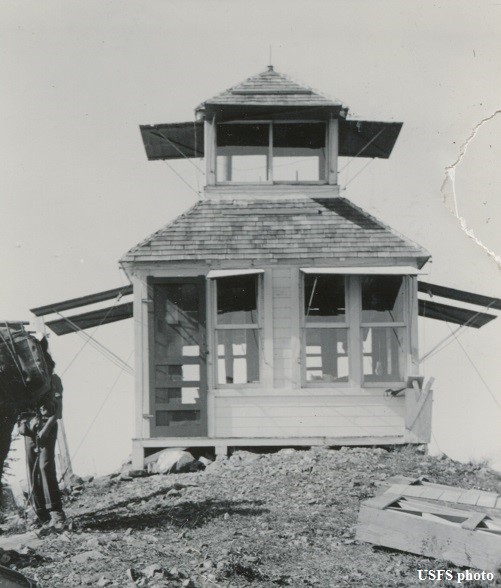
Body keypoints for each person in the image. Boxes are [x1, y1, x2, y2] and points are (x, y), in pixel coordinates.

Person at [18, 374, 66, 530]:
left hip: (47, 425)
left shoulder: (52, 379)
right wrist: (21, 425)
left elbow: (58, 411)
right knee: (32, 469)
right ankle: (41, 514)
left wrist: (46, 429)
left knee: (45, 466)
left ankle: (56, 512)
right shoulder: (22, 379)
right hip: (29, 428)